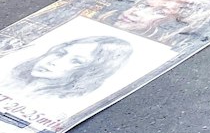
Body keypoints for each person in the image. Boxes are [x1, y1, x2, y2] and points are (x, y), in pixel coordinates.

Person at [3, 35, 134, 100]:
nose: (54, 62)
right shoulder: (10, 79)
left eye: (76, 61)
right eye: (60, 53)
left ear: (91, 71)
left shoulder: (57, 100)